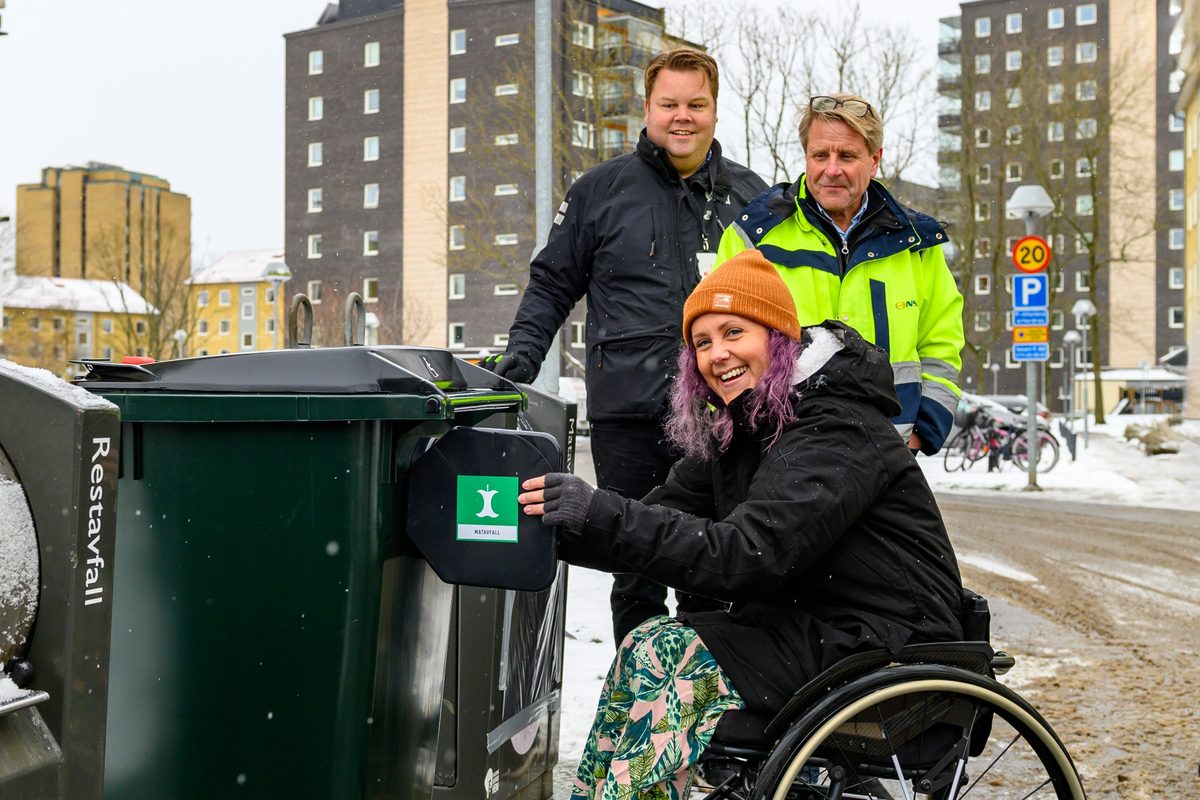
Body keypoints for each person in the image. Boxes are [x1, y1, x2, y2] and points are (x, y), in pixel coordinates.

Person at [518, 249, 965, 798]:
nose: (717, 354)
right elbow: (659, 517)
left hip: (891, 649)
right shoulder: (744, 428)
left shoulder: (836, 426)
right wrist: (546, 522)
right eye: (702, 342)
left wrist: (597, 511)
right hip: (810, 630)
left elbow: (747, 555)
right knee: (649, 644)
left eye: (734, 332)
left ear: (778, 338)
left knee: (669, 659)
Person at [483, 48, 767, 644]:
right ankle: (635, 701)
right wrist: (523, 354)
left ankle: (705, 707)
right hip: (629, 417)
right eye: (669, 104)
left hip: (724, 416)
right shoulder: (600, 191)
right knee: (633, 563)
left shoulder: (751, 197)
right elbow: (553, 282)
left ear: (715, 110)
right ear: (647, 108)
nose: (682, 117)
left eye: (696, 104)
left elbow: (781, 303)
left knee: (712, 566)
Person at [715, 93, 965, 455]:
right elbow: (717, 341)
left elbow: (941, 344)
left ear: (875, 160)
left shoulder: (917, 245)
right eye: (820, 155)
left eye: (847, 156)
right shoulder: (752, 237)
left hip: (888, 450)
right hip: (782, 449)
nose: (832, 170)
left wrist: (925, 430)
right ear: (806, 157)